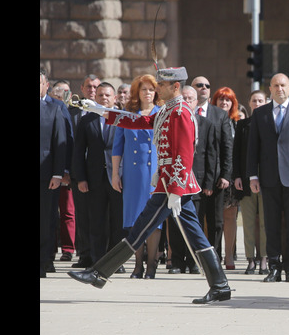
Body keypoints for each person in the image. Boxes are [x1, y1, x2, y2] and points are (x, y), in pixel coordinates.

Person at [69, 66, 232, 304]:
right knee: (195, 235)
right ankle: (220, 285)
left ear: (175, 86)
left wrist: (175, 189)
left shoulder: (181, 112)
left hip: (172, 186)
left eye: (162, 86)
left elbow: (184, 154)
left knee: (139, 229)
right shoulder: (169, 110)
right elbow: (139, 121)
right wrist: (102, 111)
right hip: (170, 183)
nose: (157, 89)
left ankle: (99, 273)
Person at [245, 73, 289, 282]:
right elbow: (253, 148)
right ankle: (274, 267)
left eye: (283, 85)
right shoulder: (260, 114)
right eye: (276, 85)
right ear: (270, 89)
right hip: (268, 177)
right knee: (271, 224)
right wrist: (253, 176)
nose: (280, 89)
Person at [112, 74, 163, 278]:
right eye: (143, 89)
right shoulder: (128, 114)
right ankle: (138, 264)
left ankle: (151, 264)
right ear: (137, 92)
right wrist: (116, 173)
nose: (147, 93)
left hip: (154, 172)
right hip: (133, 173)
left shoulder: (162, 113)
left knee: (154, 220)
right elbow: (118, 146)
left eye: (151, 89)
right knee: (134, 219)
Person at [71, 81, 124, 270]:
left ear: (115, 98)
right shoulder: (87, 120)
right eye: (100, 95)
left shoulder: (123, 119)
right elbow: (78, 151)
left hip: (117, 178)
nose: (104, 98)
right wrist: (81, 178)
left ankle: (115, 261)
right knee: (96, 221)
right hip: (94, 179)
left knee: (118, 221)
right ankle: (97, 259)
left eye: (107, 95)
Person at [191, 76, 234, 264]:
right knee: (195, 220)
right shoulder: (185, 112)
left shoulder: (219, 115)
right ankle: (194, 258)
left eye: (207, 86)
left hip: (216, 178)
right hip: (192, 176)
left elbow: (227, 147)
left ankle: (213, 257)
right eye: (199, 85)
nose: (203, 88)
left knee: (216, 221)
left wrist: (226, 174)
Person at [233, 90, 269, 274]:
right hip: (246, 181)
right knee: (247, 222)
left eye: (261, 100)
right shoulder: (242, 125)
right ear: (249, 103)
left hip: (266, 180)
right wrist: (237, 176)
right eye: (254, 100)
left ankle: (264, 258)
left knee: (264, 222)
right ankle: (250, 260)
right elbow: (237, 153)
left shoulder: (270, 123)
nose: (257, 103)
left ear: (266, 102)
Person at [210, 86, 241, 270]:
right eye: (221, 99)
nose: (224, 103)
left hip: (232, 176)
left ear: (233, 104)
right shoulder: (209, 119)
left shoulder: (236, 123)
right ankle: (214, 254)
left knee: (230, 217)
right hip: (213, 174)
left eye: (228, 100)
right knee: (213, 218)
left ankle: (229, 255)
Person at [41, 70, 68, 277]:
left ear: (46, 85)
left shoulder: (55, 108)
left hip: (46, 174)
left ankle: (45, 259)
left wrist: (58, 173)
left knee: (46, 218)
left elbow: (61, 143)